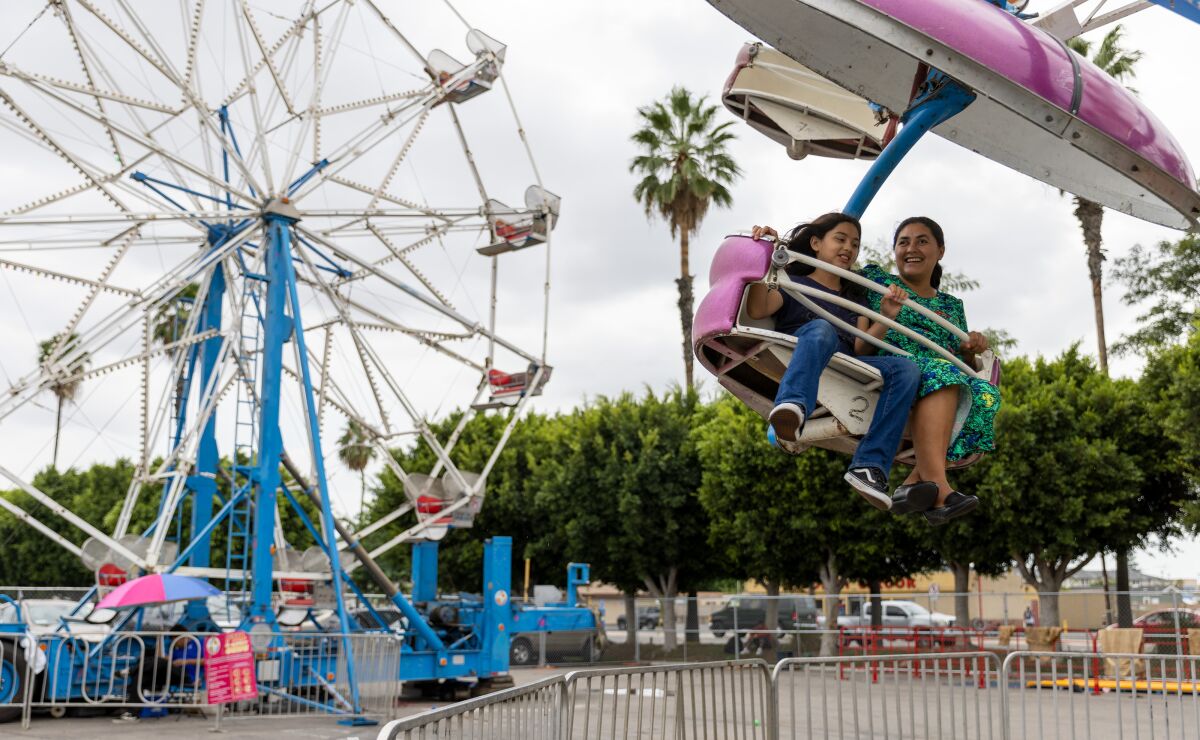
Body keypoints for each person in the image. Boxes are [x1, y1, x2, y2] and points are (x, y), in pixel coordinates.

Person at [747, 214, 934, 512]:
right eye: (841, 239)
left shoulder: (854, 297)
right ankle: (793, 406)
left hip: (846, 360)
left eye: (856, 244)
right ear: (816, 243)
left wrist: (886, 316)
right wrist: (766, 257)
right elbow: (757, 309)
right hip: (809, 348)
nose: (849, 247)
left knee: (907, 369)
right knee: (822, 329)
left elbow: (861, 346)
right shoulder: (793, 283)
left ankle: (869, 467)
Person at [856, 217, 1000, 525]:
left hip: (942, 371)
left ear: (940, 251)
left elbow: (964, 361)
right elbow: (833, 257)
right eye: (904, 242)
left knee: (985, 393)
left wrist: (970, 350)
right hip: (895, 364)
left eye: (922, 241)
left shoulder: (951, 305)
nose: (912, 248)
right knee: (943, 371)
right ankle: (939, 489)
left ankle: (914, 483)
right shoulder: (878, 281)